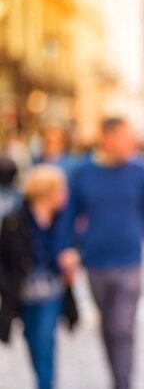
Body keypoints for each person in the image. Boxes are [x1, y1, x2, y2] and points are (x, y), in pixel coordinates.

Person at [57, 117, 144, 389]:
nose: (130, 143)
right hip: (95, 261)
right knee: (108, 326)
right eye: (123, 137)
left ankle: (123, 383)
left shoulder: (139, 170)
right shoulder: (82, 171)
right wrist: (64, 250)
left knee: (121, 326)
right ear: (106, 138)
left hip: (130, 259)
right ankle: (117, 378)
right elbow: (69, 215)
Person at [0, 164, 79, 389]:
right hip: (23, 293)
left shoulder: (63, 221)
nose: (65, 193)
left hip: (52, 292)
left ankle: (46, 383)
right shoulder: (15, 220)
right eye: (60, 189)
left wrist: (71, 259)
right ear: (47, 192)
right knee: (33, 341)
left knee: (45, 340)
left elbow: (76, 246)